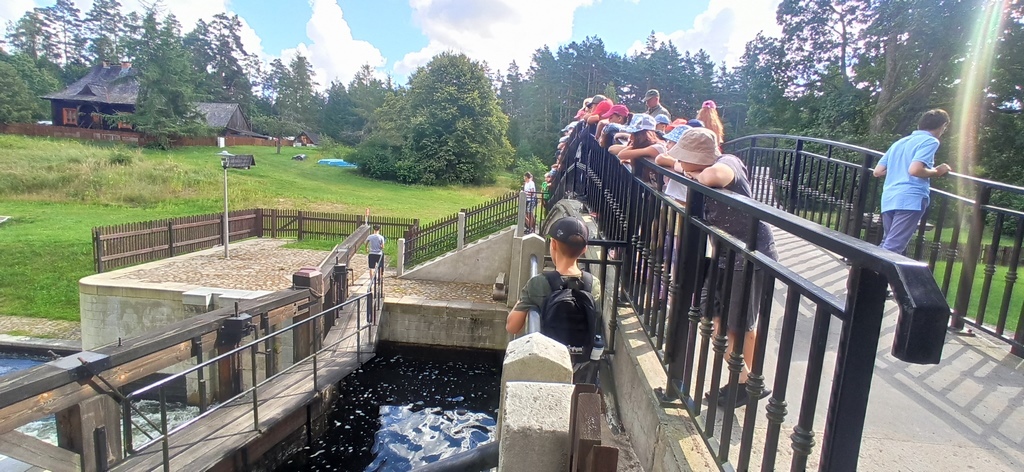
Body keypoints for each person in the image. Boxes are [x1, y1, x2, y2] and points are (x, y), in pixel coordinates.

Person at [667, 127, 779, 408]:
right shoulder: (696, 167)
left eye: (685, 156)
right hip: (725, 256)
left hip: (750, 254)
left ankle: (745, 384)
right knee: (714, 314)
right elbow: (663, 160)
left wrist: (695, 175)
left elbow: (714, 176)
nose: (680, 161)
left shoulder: (727, 163)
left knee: (740, 323)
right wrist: (684, 167)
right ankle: (746, 380)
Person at [506, 217, 603, 380]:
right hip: (580, 367)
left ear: (554, 244)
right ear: (584, 249)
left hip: (548, 365)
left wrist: (527, 295)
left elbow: (512, 326)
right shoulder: (593, 284)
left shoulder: (538, 283)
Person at [873, 109, 952, 255]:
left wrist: (899, 169)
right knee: (892, 248)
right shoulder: (930, 141)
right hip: (910, 198)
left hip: (890, 197)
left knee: (887, 242)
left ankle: (867, 268)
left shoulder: (900, 142)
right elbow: (915, 170)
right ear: (943, 126)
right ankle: (868, 270)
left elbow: (878, 171)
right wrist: (937, 171)